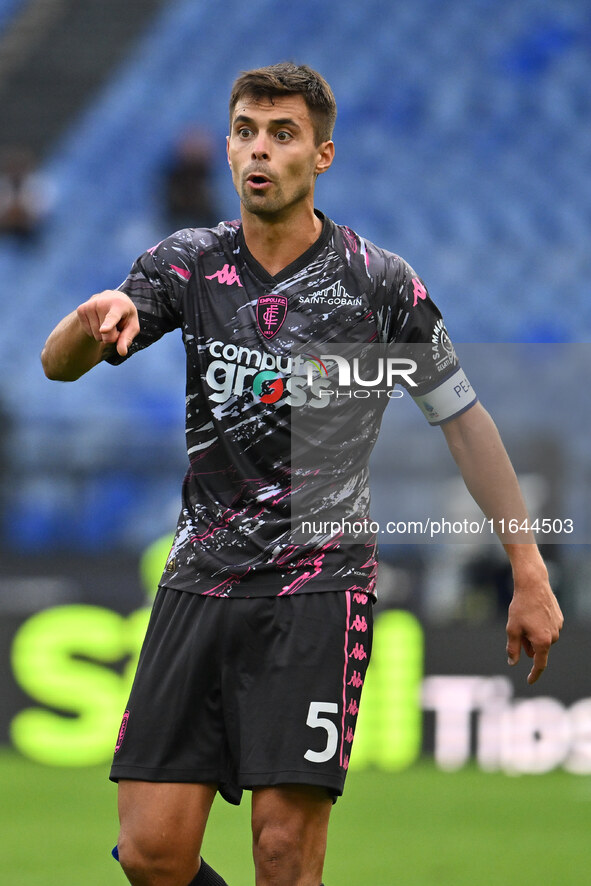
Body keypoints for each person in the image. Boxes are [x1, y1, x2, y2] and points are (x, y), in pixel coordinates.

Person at [41, 63, 563, 886]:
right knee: (149, 855)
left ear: (321, 156)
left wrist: (527, 569)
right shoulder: (186, 264)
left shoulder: (379, 285)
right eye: (246, 130)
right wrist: (86, 322)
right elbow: (57, 368)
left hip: (317, 590)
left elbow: (463, 420)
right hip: (198, 582)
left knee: (283, 858)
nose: (259, 150)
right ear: (226, 146)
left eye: (281, 134)